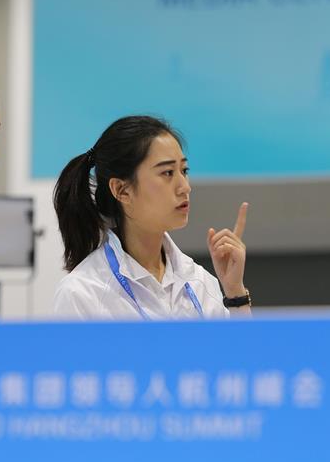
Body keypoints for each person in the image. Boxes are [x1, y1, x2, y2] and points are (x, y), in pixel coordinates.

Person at [52, 115, 251, 319]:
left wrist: (235, 293)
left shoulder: (200, 281)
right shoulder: (82, 294)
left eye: (184, 170)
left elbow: (238, 352)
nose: (185, 187)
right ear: (122, 190)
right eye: (167, 173)